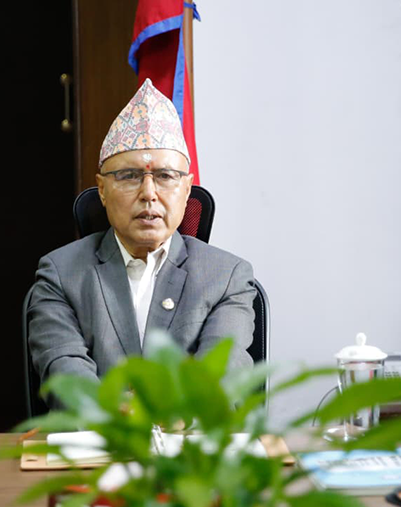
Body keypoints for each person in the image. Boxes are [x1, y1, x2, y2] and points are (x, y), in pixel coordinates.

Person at [28, 79, 255, 402]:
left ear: (187, 190)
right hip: (97, 435)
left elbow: (220, 379)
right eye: (129, 176)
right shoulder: (61, 274)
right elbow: (67, 379)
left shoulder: (226, 277)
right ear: (102, 190)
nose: (149, 193)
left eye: (165, 176)